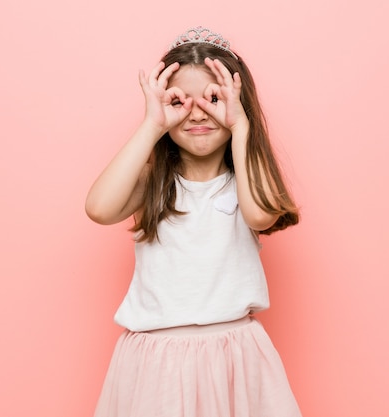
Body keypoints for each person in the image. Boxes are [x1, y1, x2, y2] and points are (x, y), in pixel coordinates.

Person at [86, 26, 302, 417]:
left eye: (214, 98)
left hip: (235, 355)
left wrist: (241, 126)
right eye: (181, 101)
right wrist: (153, 124)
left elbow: (259, 213)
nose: (199, 112)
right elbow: (99, 208)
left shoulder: (246, 183)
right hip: (156, 362)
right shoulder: (153, 182)